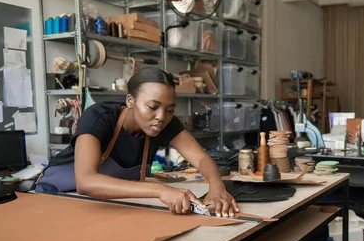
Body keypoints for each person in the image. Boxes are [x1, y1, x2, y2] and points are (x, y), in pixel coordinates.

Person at [35, 68, 238, 217]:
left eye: (170, 110)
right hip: (53, 198)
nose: (161, 117)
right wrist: (161, 190)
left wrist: (217, 186)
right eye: (152, 107)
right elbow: (86, 182)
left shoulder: (163, 123)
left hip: (98, 206)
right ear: (130, 101)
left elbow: (201, 158)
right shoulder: (98, 117)